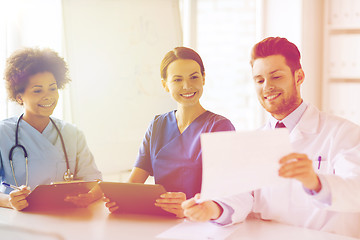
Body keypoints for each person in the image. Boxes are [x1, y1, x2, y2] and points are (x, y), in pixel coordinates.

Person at [181, 37, 360, 238]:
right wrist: (213, 209)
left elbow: (356, 191)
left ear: (299, 77)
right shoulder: (255, 140)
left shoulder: (343, 133)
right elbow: (242, 195)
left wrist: (316, 182)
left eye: (276, 77)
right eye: (259, 80)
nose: (267, 87)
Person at [105, 47, 235, 217]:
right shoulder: (157, 125)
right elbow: (134, 183)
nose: (187, 86)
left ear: (203, 78)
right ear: (165, 84)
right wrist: (120, 200)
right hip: (161, 221)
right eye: (177, 80)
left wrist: (188, 207)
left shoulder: (220, 127)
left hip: (203, 224)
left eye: (194, 77)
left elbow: (227, 194)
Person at [0, 48, 103, 211]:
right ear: (19, 96)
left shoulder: (72, 133)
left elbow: (94, 181)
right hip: (20, 222)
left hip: (67, 218)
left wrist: (89, 197)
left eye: (53, 88)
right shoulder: (3, 133)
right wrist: (8, 201)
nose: (48, 96)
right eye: (37, 90)